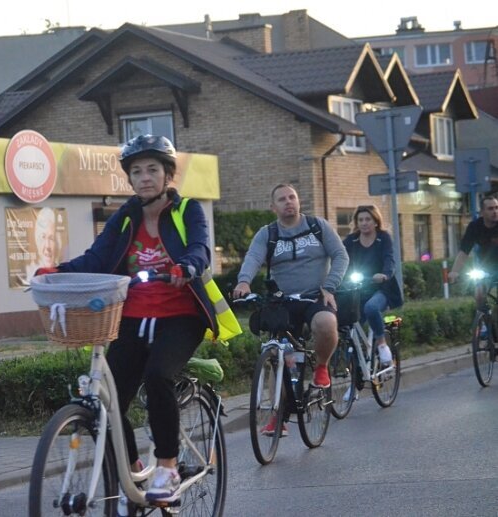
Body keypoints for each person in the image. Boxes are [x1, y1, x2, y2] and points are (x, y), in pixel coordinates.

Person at [37, 135, 224, 509]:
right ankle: (133, 469)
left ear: (167, 174)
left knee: (158, 375)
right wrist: (55, 271)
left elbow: (200, 248)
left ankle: (168, 466)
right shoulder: (125, 217)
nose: (144, 178)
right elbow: (97, 256)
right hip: (133, 316)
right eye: (136, 172)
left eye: (152, 170)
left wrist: (186, 266)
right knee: (106, 401)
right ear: (129, 180)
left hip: (181, 315)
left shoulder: (186, 210)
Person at [232, 184, 348, 435]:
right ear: (273, 207)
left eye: (292, 197)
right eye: (282, 199)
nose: (288, 202)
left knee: (326, 324)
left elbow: (340, 255)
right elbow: (253, 258)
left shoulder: (318, 226)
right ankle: (277, 417)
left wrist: (330, 286)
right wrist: (244, 281)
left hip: (315, 296)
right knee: (280, 355)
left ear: (299, 201)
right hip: (282, 301)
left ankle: (321, 368)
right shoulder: (268, 233)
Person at [342, 205, 403, 367]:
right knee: (346, 325)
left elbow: (390, 259)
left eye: (368, 219)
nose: (364, 223)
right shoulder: (351, 241)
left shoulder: (383, 238)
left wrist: (385, 274)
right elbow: (340, 259)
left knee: (371, 308)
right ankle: (357, 373)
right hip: (358, 290)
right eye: (360, 220)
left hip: (381, 289)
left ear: (376, 221)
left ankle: (382, 345)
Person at [448, 195, 498, 308]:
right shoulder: (475, 227)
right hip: (486, 268)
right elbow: (464, 251)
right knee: (479, 294)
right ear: (482, 212)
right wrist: (455, 271)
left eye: (496, 207)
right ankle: (485, 322)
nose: (495, 211)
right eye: (490, 209)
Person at [25, 207, 60, 282]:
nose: (47, 246)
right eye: (43, 237)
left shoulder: (63, 272)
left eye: (51, 238)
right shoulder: (30, 273)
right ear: (36, 241)